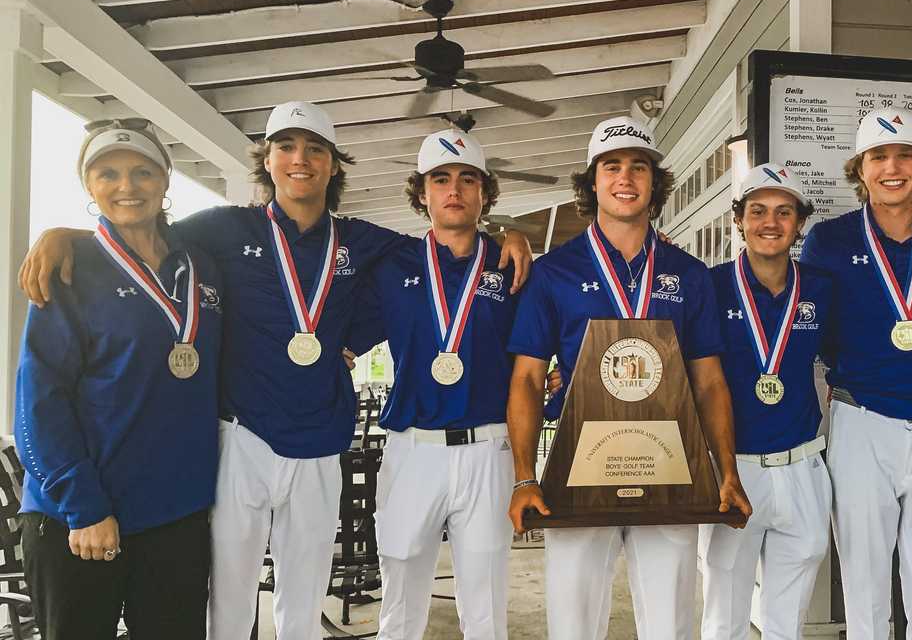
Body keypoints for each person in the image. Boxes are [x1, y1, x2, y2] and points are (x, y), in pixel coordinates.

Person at [18, 101, 532, 640]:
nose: (300, 159)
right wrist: (69, 234)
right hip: (242, 437)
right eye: (286, 146)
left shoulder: (362, 241)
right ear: (267, 160)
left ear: (334, 165)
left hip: (319, 441)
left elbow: (447, 243)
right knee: (230, 601)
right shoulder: (222, 228)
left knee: (302, 601)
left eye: (315, 149)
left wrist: (509, 234)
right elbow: (140, 227)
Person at [506, 115, 752, 640]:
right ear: (592, 182)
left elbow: (709, 381)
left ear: (653, 183)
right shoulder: (555, 272)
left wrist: (726, 471)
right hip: (578, 469)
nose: (625, 178)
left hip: (669, 468)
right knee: (572, 623)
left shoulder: (689, 274)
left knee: (671, 623)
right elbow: (527, 378)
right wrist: (525, 478)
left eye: (638, 167)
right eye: (611, 166)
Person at [15, 119, 222, 639]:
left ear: (166, 179)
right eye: (107, 173)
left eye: (142, 172)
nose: (126, 187)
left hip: (174, 518)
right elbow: (39, 401)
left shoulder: (202, 265)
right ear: (89, 186)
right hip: (79, 518)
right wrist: (83, 507)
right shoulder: (69, 269)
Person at [799, 108, 912, 640]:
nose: (891, 167)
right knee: (864, 579)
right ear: (860, 168)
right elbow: (811, 322)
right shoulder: (829, 239)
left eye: (905, 155)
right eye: (879, 156)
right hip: (862, 420)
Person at [353, 129, 519, 639]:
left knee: (486, 598)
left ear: (485, 194)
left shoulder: (513, 264)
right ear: (422, 193)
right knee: (399, 597)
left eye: (468, 179)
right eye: (440, 179)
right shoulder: (391, 263)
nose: (455, 189)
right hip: (412, 448)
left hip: (488, 449)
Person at [700, 163, 834, 640]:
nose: (770, 222)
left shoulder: (820, 286)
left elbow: (854, 350)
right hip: (731, 469)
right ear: (739, 219)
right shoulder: (709, 286)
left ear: (800, 223)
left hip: (803, 466)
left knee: (788, 618)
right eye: (757, 211)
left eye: (784, 212)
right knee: (724, 612)